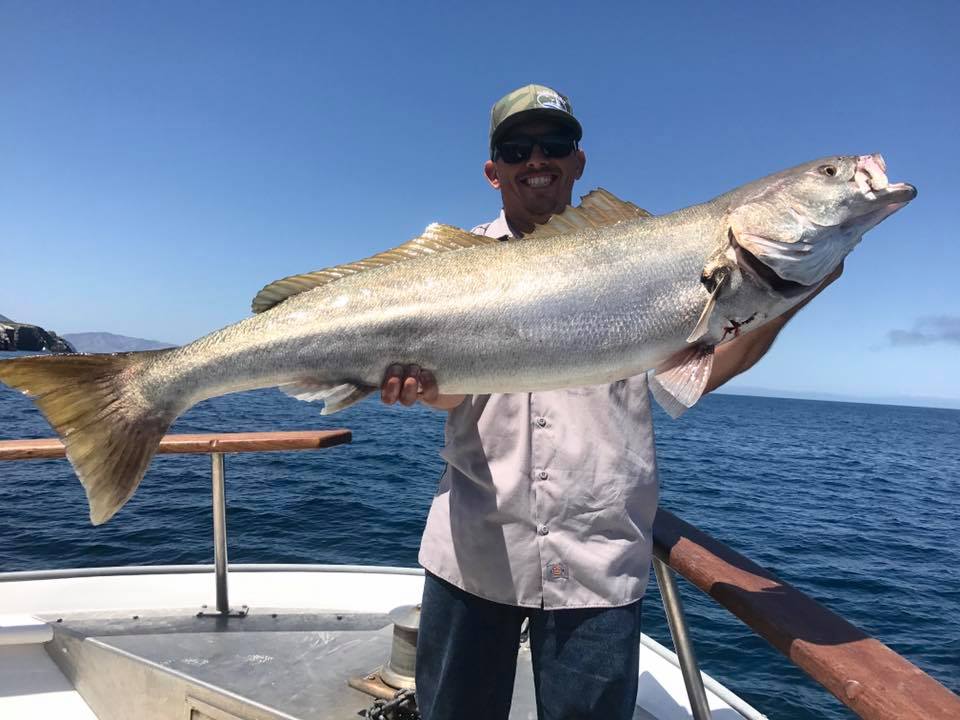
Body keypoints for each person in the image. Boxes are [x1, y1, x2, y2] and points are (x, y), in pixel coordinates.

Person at [380, 84, 839, 720]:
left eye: (555, 143)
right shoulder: (444, 270)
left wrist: (793, 291)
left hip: (598, 560)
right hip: (474, 549)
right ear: (494, 171)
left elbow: (697, 372)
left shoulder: (650, 252)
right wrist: (421, 388)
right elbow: (455, 394)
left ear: (578, 162)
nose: (536, 158)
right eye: (517, 147)